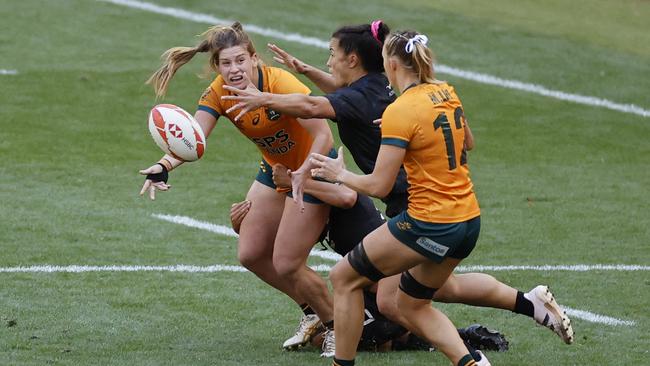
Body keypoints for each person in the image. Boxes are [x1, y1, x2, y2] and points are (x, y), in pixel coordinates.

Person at [222, 20, 574, 359]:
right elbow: (465, 141)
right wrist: (306, 72)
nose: (327, 60)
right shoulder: (397, 88)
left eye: (331, 53)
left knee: (361, 285)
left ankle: (453, 353)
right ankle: (529, 304)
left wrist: (264, 100)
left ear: (353, 59)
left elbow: (315, 107)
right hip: (457, 207)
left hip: (417, 211)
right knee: (438, 289)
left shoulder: (368, 99)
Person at [137, 22, 338, 351]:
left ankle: (336, 327)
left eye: (240, 60)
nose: (234, 69)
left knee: (287, 262)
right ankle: (311, 312)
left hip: (314, 168)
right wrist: (162, 168)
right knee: (251, 253)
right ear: (216, 66)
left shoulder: (279, 82)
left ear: (254, 59)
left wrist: (302, 176)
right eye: (226, 63)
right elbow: (193, 141)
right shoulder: (218, 93)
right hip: (273, 171)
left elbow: (324, 135)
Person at [230, 165, 510, 355]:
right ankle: (327, 321)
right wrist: (242, 224)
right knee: (329, 336)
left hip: (385, 278)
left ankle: (463, 339)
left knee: (396, 315)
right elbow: (277, 242)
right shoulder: (287, 183)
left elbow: (347, 195)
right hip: (366, 280)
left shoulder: (309, 167)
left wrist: (295, 181)